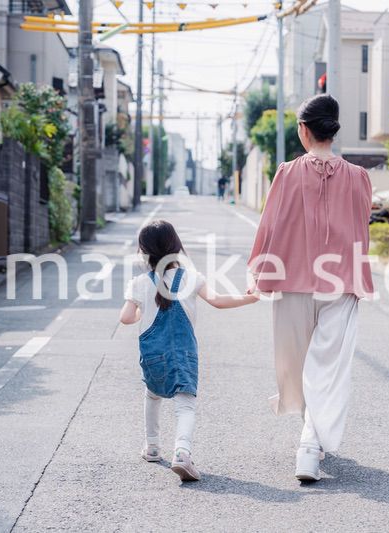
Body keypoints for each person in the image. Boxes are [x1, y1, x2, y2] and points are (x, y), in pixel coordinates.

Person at [248, 94, 374, 482]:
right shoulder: (359, 177)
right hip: (341, 284)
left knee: (297, 363)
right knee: (327, 367)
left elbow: (269, 225)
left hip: (292, 282)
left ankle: (308, 443)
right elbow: (362, 227)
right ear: (333, 131)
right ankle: (311, 442)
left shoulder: (287, 173)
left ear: (304, 130)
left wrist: (258, 270)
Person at [120, 220, 259, 481]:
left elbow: (126, 318)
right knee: (185, 406)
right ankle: (182, 452)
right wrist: (250, 297)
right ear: (176, 247)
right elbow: (218, 301)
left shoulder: (139, 282)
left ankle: (151, 446)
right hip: (182, 353)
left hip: (152, 354)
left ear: (144, 252)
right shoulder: (192, 279)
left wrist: (141, 307)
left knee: (152, 395)